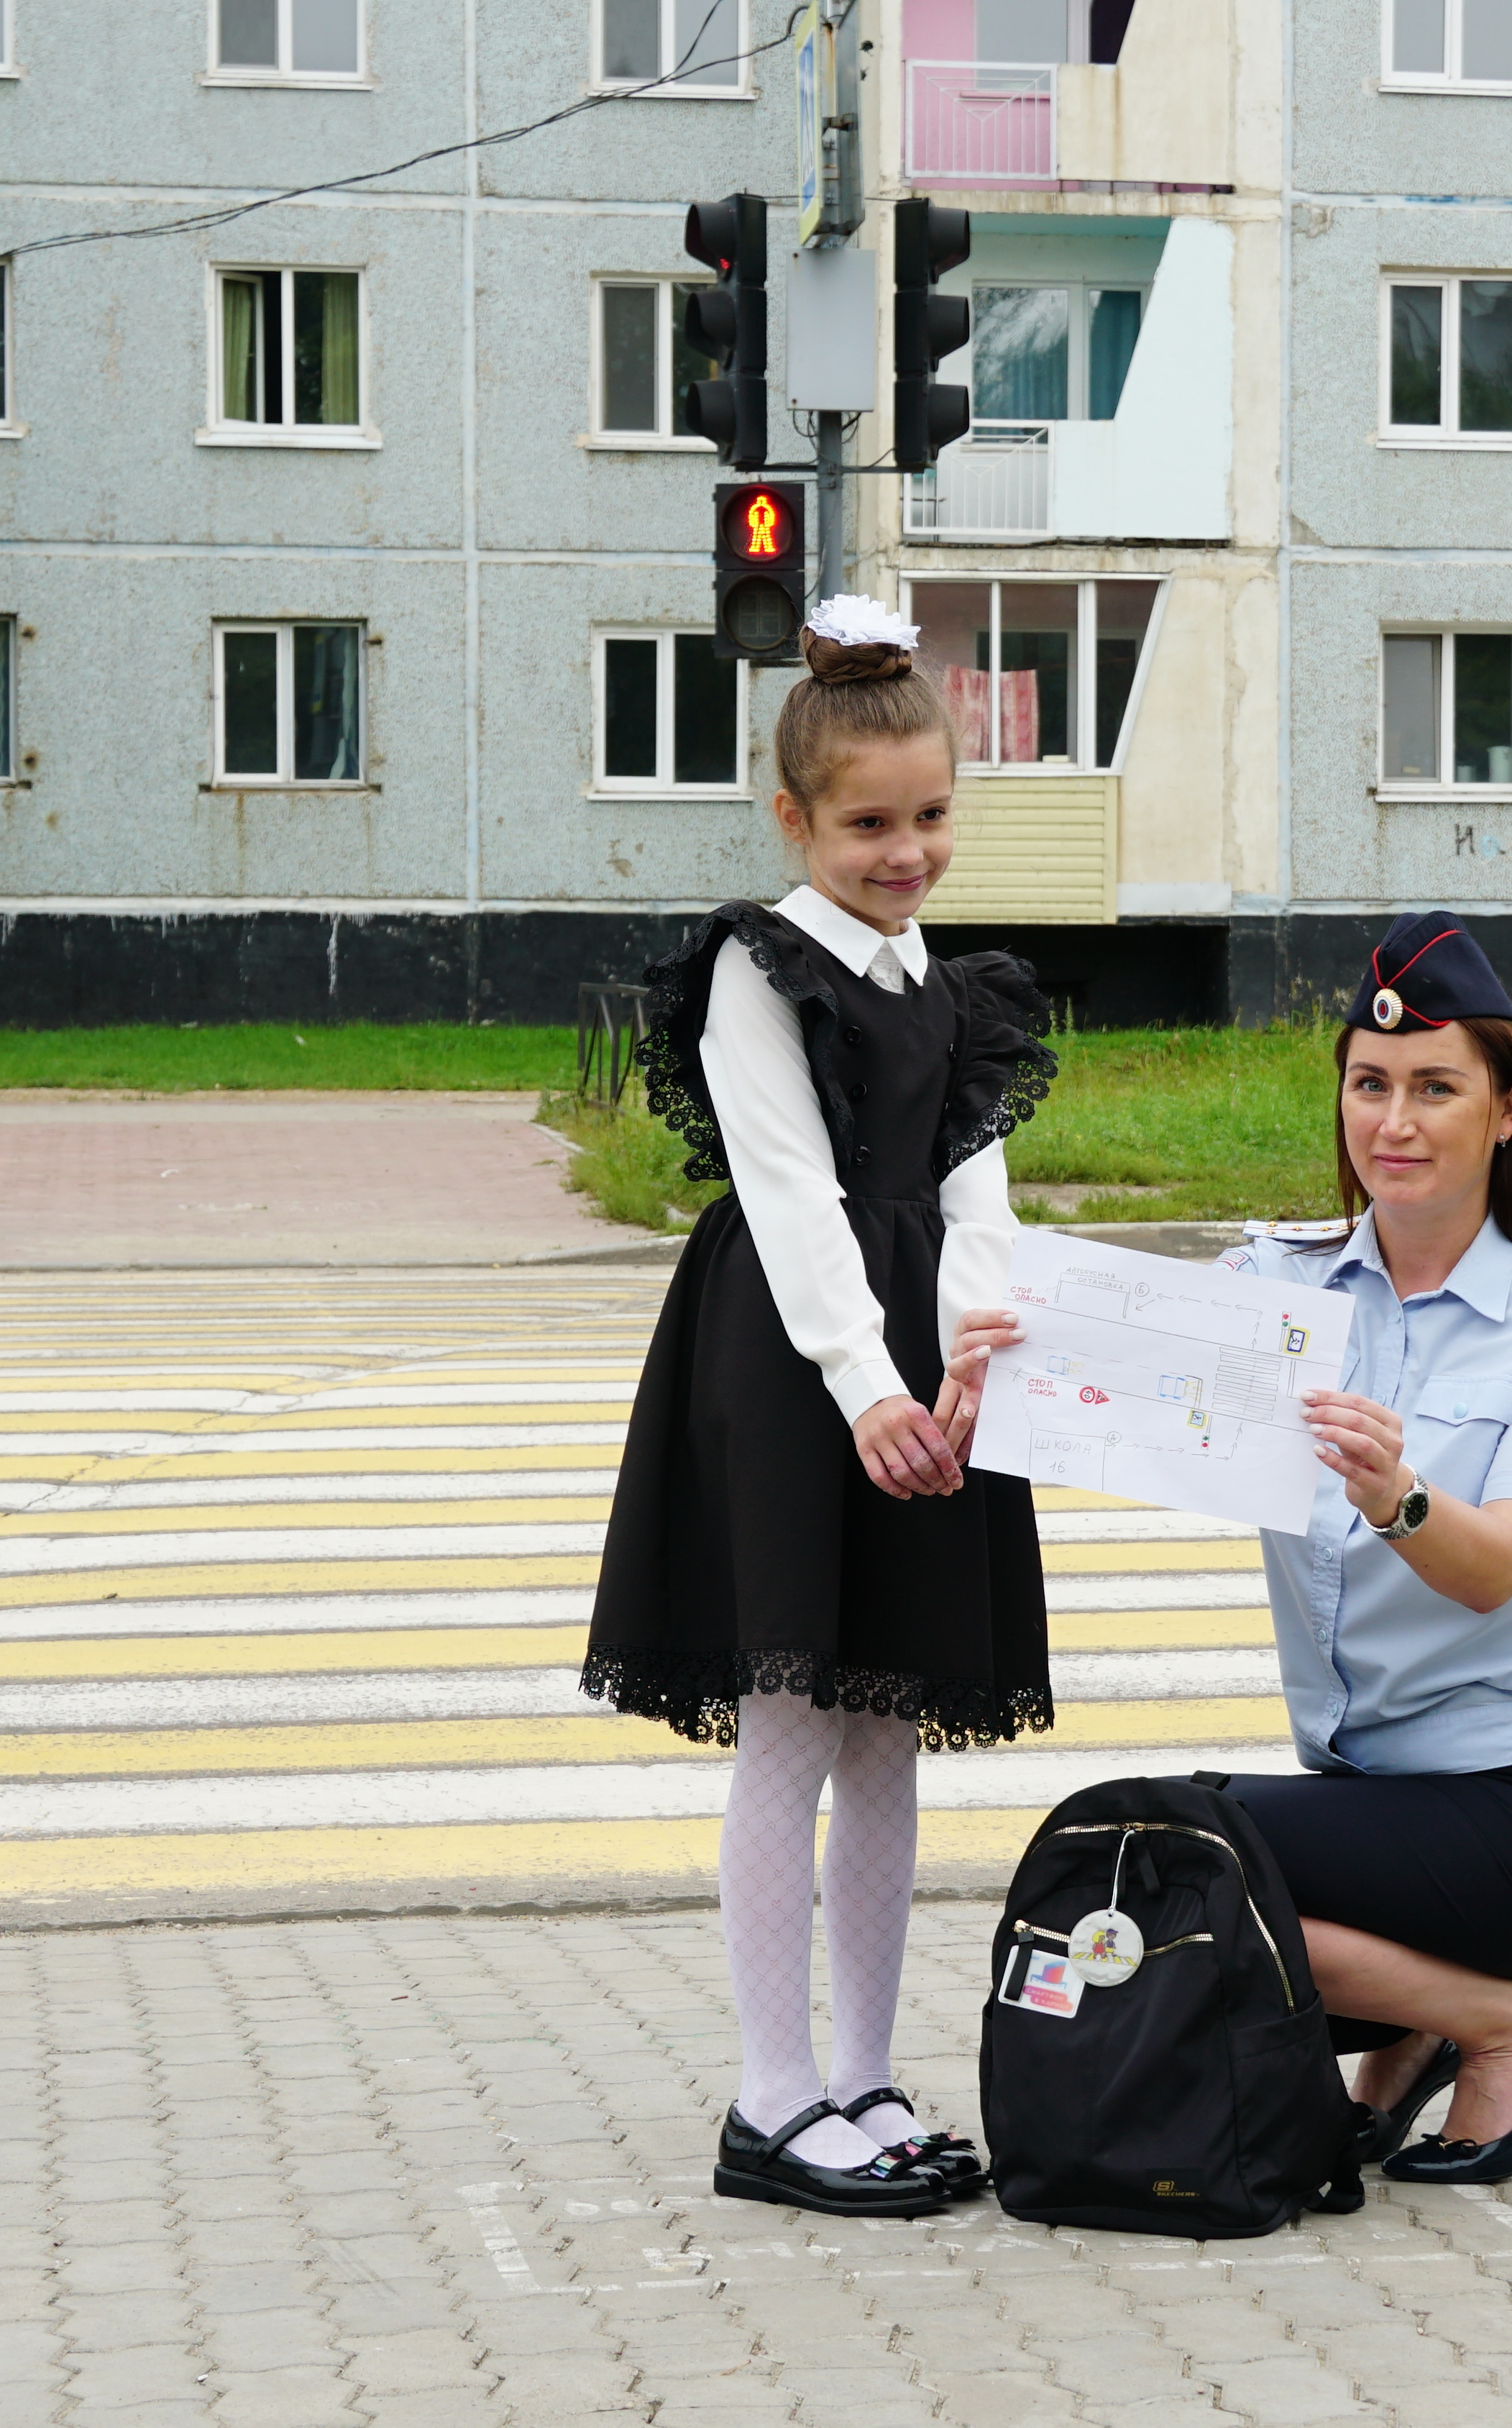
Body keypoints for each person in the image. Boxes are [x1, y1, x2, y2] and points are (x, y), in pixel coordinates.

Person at [963, 911, 1512, 2186]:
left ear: (1506, 1112)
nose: (1395, 1120)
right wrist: (994, 1374)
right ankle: (1417, 2037)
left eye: (1436, 1087)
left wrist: (1399, 1495)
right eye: (1369, 1084)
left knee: (1174, 1860)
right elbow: (1102, 1388)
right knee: (1175, 1882)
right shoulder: (1277, 1295)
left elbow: (1498, 1568)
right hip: (1368, 1802)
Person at [581, 595, 1058, 2220]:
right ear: (792, 818)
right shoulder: (754, 971)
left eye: (930, 815)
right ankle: (769, 2092)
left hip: (930, 1381)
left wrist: (982, 1363)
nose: (906, 850)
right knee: (788, 1717)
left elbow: (978, 1199)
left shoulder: (953, 983)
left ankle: (861, 2067)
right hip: (798, 1380)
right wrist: (869, 1387)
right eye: (868, 823)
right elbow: (789, 1201)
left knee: (890, 1716)